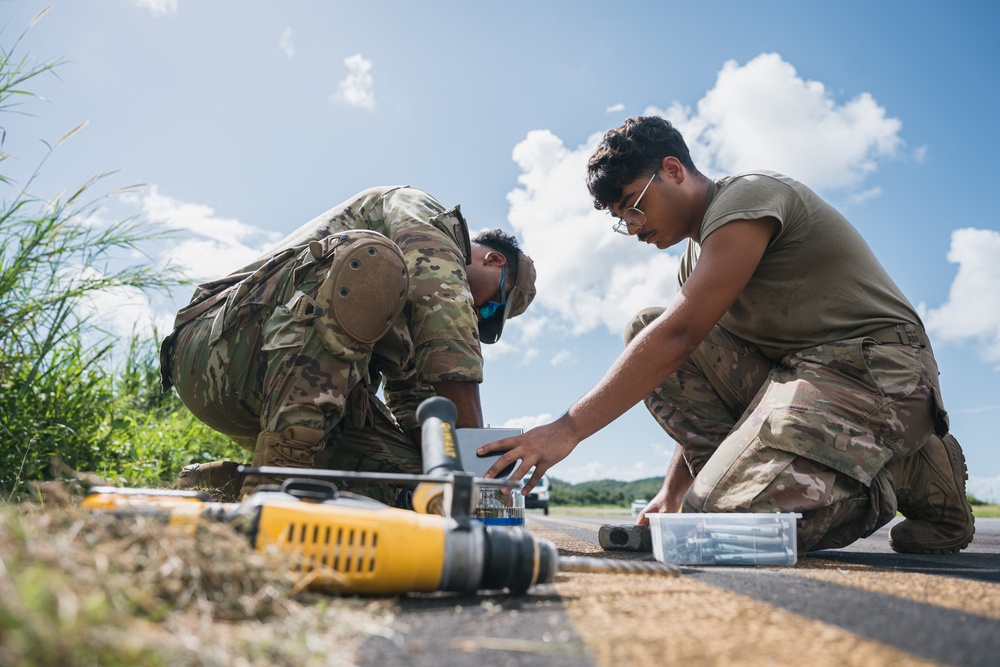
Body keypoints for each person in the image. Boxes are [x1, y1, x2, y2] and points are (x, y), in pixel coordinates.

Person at [481, 116, 974, 554]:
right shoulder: (692, 262)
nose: (632, 228)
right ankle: (876, 462)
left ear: (673, 170)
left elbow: (680, 336)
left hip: (876, 373)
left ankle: (896, 474)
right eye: (620, 220)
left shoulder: (748, 196)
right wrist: (672, 494)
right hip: (798, 381)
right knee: (645, 331)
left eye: (634, 206)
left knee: (720, 530)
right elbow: (681, 357)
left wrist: (566, 430)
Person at [160, 185, 536, 503]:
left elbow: (414, 399)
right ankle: (279, 483)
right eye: (491, 309)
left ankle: (228, 484)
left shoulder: (412, 314)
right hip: (215, 350)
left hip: (280, 400)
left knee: (424, 492)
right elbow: (446, 312)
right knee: (370, 259)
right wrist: (473, 447)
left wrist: (458, 477)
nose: (479, 314)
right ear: (494, 260)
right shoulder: (419, 210)